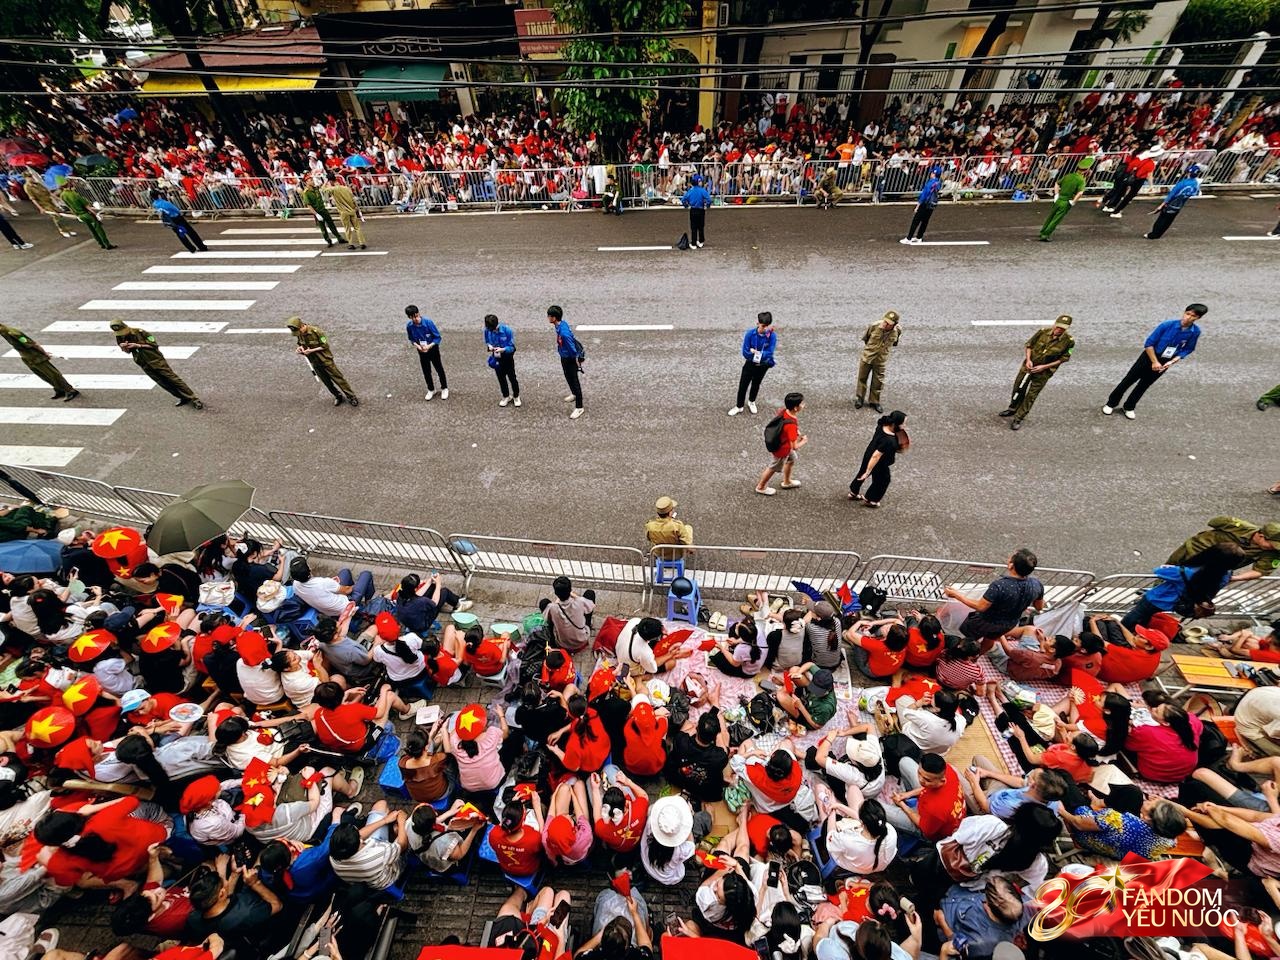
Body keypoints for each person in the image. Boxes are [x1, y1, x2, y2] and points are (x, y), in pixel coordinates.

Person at [1103, 304, 1205, 418]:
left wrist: (1172, 361)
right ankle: (1111, 403)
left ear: (1198, 318)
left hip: (1166, 360)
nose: (1188, 317)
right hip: (1149, 356)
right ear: (1184, 312)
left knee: (1144, 385)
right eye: (1187, 313)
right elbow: (1149, 344)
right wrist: (1154, 362)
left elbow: (1188, 349)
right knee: (1128, 380)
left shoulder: (1195, 332)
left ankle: (1129, 407)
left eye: (1193, 316)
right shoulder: (1167, 325)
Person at [943, 549, 1045, 647]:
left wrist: (957, 595)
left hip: (984, 621)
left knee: (968, 637)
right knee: (990, 639)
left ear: (1011, 565)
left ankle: (964, 653)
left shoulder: (1000, 586)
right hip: (1008, 624)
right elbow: (1039, 607)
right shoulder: (1036, 585)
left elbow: (980, 607)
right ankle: (977, 657)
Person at [999, 315, 1074, 430]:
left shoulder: (1069, 341)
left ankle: (1019, 417)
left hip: (1044, 372)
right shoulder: (1043, 332)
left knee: (1031, 395)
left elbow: (1064, 359)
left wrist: (1044, 367)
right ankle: (1012, 408)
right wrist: (1028, 360)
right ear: (1055, 324)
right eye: (1058, 326)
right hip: (1028, 367)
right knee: (1018, 388)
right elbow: (1029, 345)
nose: (1059, 329)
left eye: (1063, 328)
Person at [107, 320, 203, 409]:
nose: (123, 334)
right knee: (162, 382)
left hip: (155, 360)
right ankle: (182, 397)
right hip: (142, 362)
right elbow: (127, 352)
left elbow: (154, 345)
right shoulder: (119, 336)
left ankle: (194, 399)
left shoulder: (140, 332)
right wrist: (124, 347)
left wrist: (138, 345)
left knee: (173, 379)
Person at [1167, 516, 1280, 583]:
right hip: (1192, 549)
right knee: (1169, 569)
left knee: (1185, 582)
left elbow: (1260, 571)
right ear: (1261, 536)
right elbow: (1214, 522)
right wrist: (1232, 522)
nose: (1274, 548)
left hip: (1209, 568)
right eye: (1272, 544)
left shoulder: (1273, 553)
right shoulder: (1240, 527)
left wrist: (1234, 578)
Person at [327, 800, 408, 891]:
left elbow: (359, 835)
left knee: (381, 805)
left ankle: (391, 831)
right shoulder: (378, 853)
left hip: (366, 876)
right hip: (390, 874)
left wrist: (385, 821)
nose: (359, 832)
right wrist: (402, 821)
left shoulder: (334, 855)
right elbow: (402, 844)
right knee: (399, 829)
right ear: (359, 842)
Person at [286, 316, 358, 407]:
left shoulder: (316, 332)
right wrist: (299, 349)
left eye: (299, 331)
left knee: (339, 379)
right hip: (314, 362)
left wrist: (311, 350)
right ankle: (337, 396)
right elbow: (300, 343)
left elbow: (325, 346)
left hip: (325, 360)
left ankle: (351, 397)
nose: (298, 334)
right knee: (327, 382)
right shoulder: (300, 334)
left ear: (302, 326)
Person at [0, 324, 78, 401]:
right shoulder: (4, 333)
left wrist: (44, 353)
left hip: (36, 356)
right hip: (27, 357)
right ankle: (59, 389)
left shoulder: (13, 333)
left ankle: (70, 390)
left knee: (53, 374)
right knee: (43, 375)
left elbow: (33, 344)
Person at [849, 411, 907, 508]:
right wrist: (868, 471)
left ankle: (853, 492)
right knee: (883, 480)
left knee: (862, 472)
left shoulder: (882, 424)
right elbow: (876, 456)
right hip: (879, 463)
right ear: (894, 424)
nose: (905, 426)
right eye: (903, 423)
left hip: (868, 453)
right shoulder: (889, 441)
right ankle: (871, 500)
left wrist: (866, 471)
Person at [756, 391, 806, 496]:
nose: (804, 405)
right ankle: (761, 486)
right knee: (773, 467)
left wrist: (795, 432)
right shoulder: (791, 425)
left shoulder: (785, 411)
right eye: (802, 403)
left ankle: (787, 481)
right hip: (782, 450)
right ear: (796, 408)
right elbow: (795, 446)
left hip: (784, 444)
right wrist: (804, 441)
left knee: (792, 459)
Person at [729, 311, 777, 416]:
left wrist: (757, 353)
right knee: (743, 385)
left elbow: (770, 352)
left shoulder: (772, 336)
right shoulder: (750, 334)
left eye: (767, 326)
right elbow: (745, 352)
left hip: (763, 365)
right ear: (758, 323)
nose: (765, 329)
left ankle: (752, 401)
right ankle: (739, 406)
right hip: (750, 364)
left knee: (756, 384)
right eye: (763, 326)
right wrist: (756, 355)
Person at [855, 311, 902, 412]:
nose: (885, 324)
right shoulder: (874, 326)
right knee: (862, 378)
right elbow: (866, 339)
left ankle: (874, 401)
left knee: (878, 382)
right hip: (867, 357)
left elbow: (895, 343)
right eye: (885, 321)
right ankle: (860, 398)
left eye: (889, 323)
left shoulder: (897, 331)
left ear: (895, 324)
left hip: (881, 360)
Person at [1038, 156, 1092, 241]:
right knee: (1056, 219)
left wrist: (1056, 195)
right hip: (1066, 201)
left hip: (1059, 199)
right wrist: (1073, 201)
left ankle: (1042, 231)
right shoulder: (1081, 180)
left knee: (1050, 216)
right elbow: (1080, 193)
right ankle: (1045, 235)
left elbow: (1057, 183)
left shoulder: (1068, 176)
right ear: (1086, 170)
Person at [1099, 148, 1159, 218]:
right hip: (1139, 180)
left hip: (1128, 176)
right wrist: (1151, 186)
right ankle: (1117, 211)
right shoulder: (1151, 164)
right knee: (1129, 197)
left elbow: (1129, 167)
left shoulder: (1138, 159)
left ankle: (1110, 206)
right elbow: (1149, 175)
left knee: (1120, 192)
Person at [1146, 164, 1201, 239]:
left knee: (1161, 219)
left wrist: (1162, 205)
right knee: (1169, 220)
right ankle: (1159, 234)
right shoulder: (1195, 183)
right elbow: (1195, 192)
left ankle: (1153, 234)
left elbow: (1172, 194)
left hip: (1171, 202)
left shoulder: (1182, 183)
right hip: (1180, 204)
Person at [548, 305, 584, 420]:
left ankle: (579, 407)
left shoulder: (563, 332)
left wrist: (576, 360)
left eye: (549, 316)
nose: (548, 318)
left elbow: (572, 348)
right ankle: (574, 394)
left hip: (569, 358)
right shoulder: (561, 325)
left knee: (574, 380)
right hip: (564, 356)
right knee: (568, 377)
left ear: (554, 318)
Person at [404, 305, 447, 401]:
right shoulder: (409, 326)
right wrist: (418, 346)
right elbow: (411, 339)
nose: (415, 319)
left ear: (418, 314)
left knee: (439, 368)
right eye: (412, 317)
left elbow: (437, 337)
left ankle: (444, 388)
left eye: (416, 316)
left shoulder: (428, 322)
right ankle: (431, 389)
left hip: (432, 349)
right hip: (421, 350)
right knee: (426, 371)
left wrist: (429, 346)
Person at [543, 576, 596, 652]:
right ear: (570, 590)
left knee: (546, 607)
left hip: (562, 644)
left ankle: (552, 643)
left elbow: (545, 618)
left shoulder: (551, 608)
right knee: (590, 593)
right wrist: (574, 595)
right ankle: (588, 625)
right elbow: (591, 606)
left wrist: (557, 602)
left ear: (556, 593)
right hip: (581, 641)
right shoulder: (580, 602)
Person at [57, 183, 115, 249]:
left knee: (92, 230)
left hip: (80, 215)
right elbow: (87, 206)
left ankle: (101, 243)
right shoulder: (74, 194)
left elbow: (69, 206)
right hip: (86, 214)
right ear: (69, 186)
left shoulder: (62, 195)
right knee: (99, 230)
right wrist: (95, 214)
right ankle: (107, 244)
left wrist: (76, 215)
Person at [483, 314, 521, 407]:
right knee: (501, 378)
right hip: (496, 356)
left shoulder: (507, 330)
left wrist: (503, 349)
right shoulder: (487, 331)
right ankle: (506, 396)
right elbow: (487, 341)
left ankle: (516, 396)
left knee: (512, 377)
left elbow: (512, 347)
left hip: (507, 356)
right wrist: (490, 346)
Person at [323, 173, 366, 249]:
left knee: (347, 228)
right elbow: (353, 199)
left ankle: (351, 243)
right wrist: (356, 208)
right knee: (357, 227)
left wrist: (326, 182)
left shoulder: (333, 189)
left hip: (343, 212)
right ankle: (362, 242)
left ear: (330, 181)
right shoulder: (346, 188)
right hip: (352, 210)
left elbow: (323, 190)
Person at [902, 167, 942, 243]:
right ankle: (919, 237)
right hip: (932, 204)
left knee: (916, 220)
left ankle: (909, 238)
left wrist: (918, 205)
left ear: (934, 174)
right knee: (925, 221)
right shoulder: (939, 183)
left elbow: (924, 194)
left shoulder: (930, 183)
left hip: (925, 203)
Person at [301, 178, 343, 246]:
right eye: (310, 180)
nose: (312, 181)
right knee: (323, 228)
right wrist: (316, 214)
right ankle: (328, 241)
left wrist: (326, 180)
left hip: (323, 210)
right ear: (306, 182)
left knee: (331, 224)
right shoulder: (306, 193)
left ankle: (339, 238)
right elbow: (309, 206)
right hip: (317, 211)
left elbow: (322, 187)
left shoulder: (316, 189)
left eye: (312, 180)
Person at [681, 174, 711, 248]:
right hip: (701, 210)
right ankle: (701, 241)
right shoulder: (702, 190)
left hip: (693, 210)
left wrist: (686, 206)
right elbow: (709, 200)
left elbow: (683, 199)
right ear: (698, 182)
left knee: (693, 227)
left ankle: (693, 243)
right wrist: (707, 206)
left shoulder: (690, 191)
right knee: (701, 226)